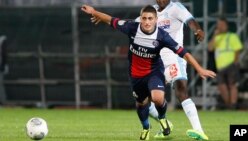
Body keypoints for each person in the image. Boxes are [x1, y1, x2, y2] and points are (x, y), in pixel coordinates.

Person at [81, 4, 216, 140]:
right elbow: (112, 20)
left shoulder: (172, 17)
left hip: (165, 64)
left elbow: (188, 30)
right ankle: (156, 125)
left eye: (150, 19)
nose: (147, 21)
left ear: (156, 20)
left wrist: (199, 66)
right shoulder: (134, 26)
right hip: (140, 72)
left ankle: (197, 130)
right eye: (144, 19)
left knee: (178, 89)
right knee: (143, 102)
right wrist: (95, 13)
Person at [208, 17, 242, 110]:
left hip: (231, 64)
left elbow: (237, 50)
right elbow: (210, 48)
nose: (220, 27)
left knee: (232, 84)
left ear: (226, 26)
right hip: (220, 66)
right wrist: (214, 36)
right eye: (218, 25)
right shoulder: (217, 37)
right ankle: (228, 105)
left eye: (222, 25)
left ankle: (233, 104)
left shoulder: (232, 36)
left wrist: (235, 62)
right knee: (221, 85)